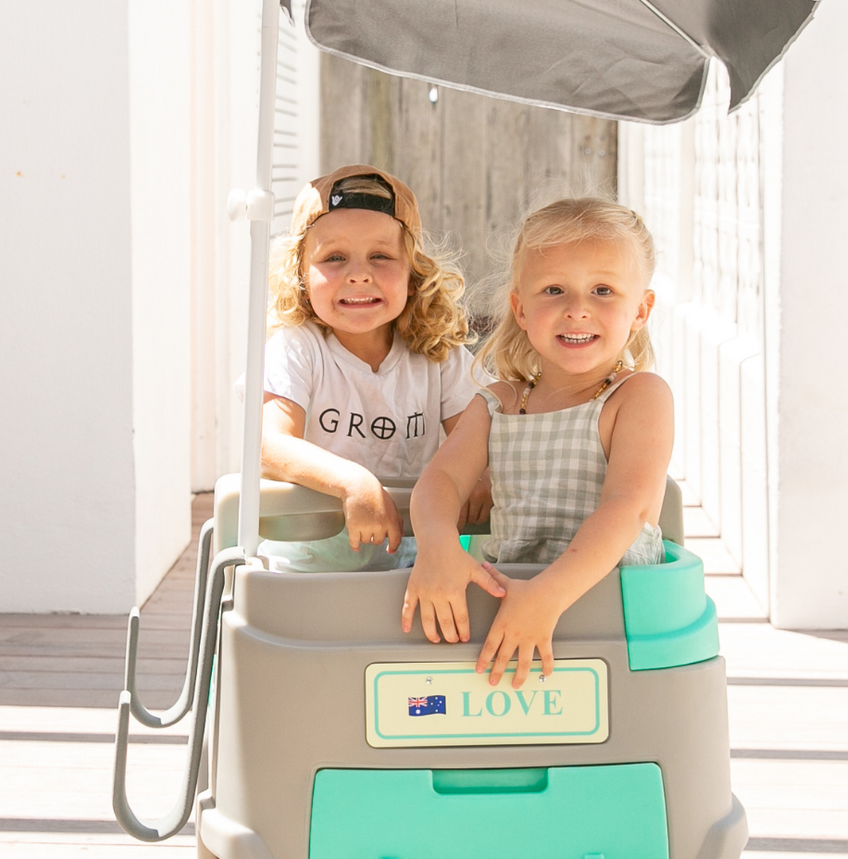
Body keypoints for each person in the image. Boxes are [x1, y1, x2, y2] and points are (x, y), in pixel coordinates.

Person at [401, 197, 672, 687]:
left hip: (612, 619)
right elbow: (439, 480)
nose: (578, 310)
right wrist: (437, 546)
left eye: (603, 290)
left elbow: (626, 507)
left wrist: (547, 596)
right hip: (506, 617)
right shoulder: (498, 404)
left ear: (641, 310)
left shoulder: (638, 397)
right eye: (554, 290)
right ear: (521, 308)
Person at [259, 164, 489, 573]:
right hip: (304, 570)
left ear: (413, 272)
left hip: (409, 570)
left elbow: (482, 435)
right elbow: (268, 445)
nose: (359, 274)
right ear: (300, 274)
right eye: (334, 258)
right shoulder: (298, 349)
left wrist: (484, 471)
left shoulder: (439, 356)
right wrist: (353, 482)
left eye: (380, 256)